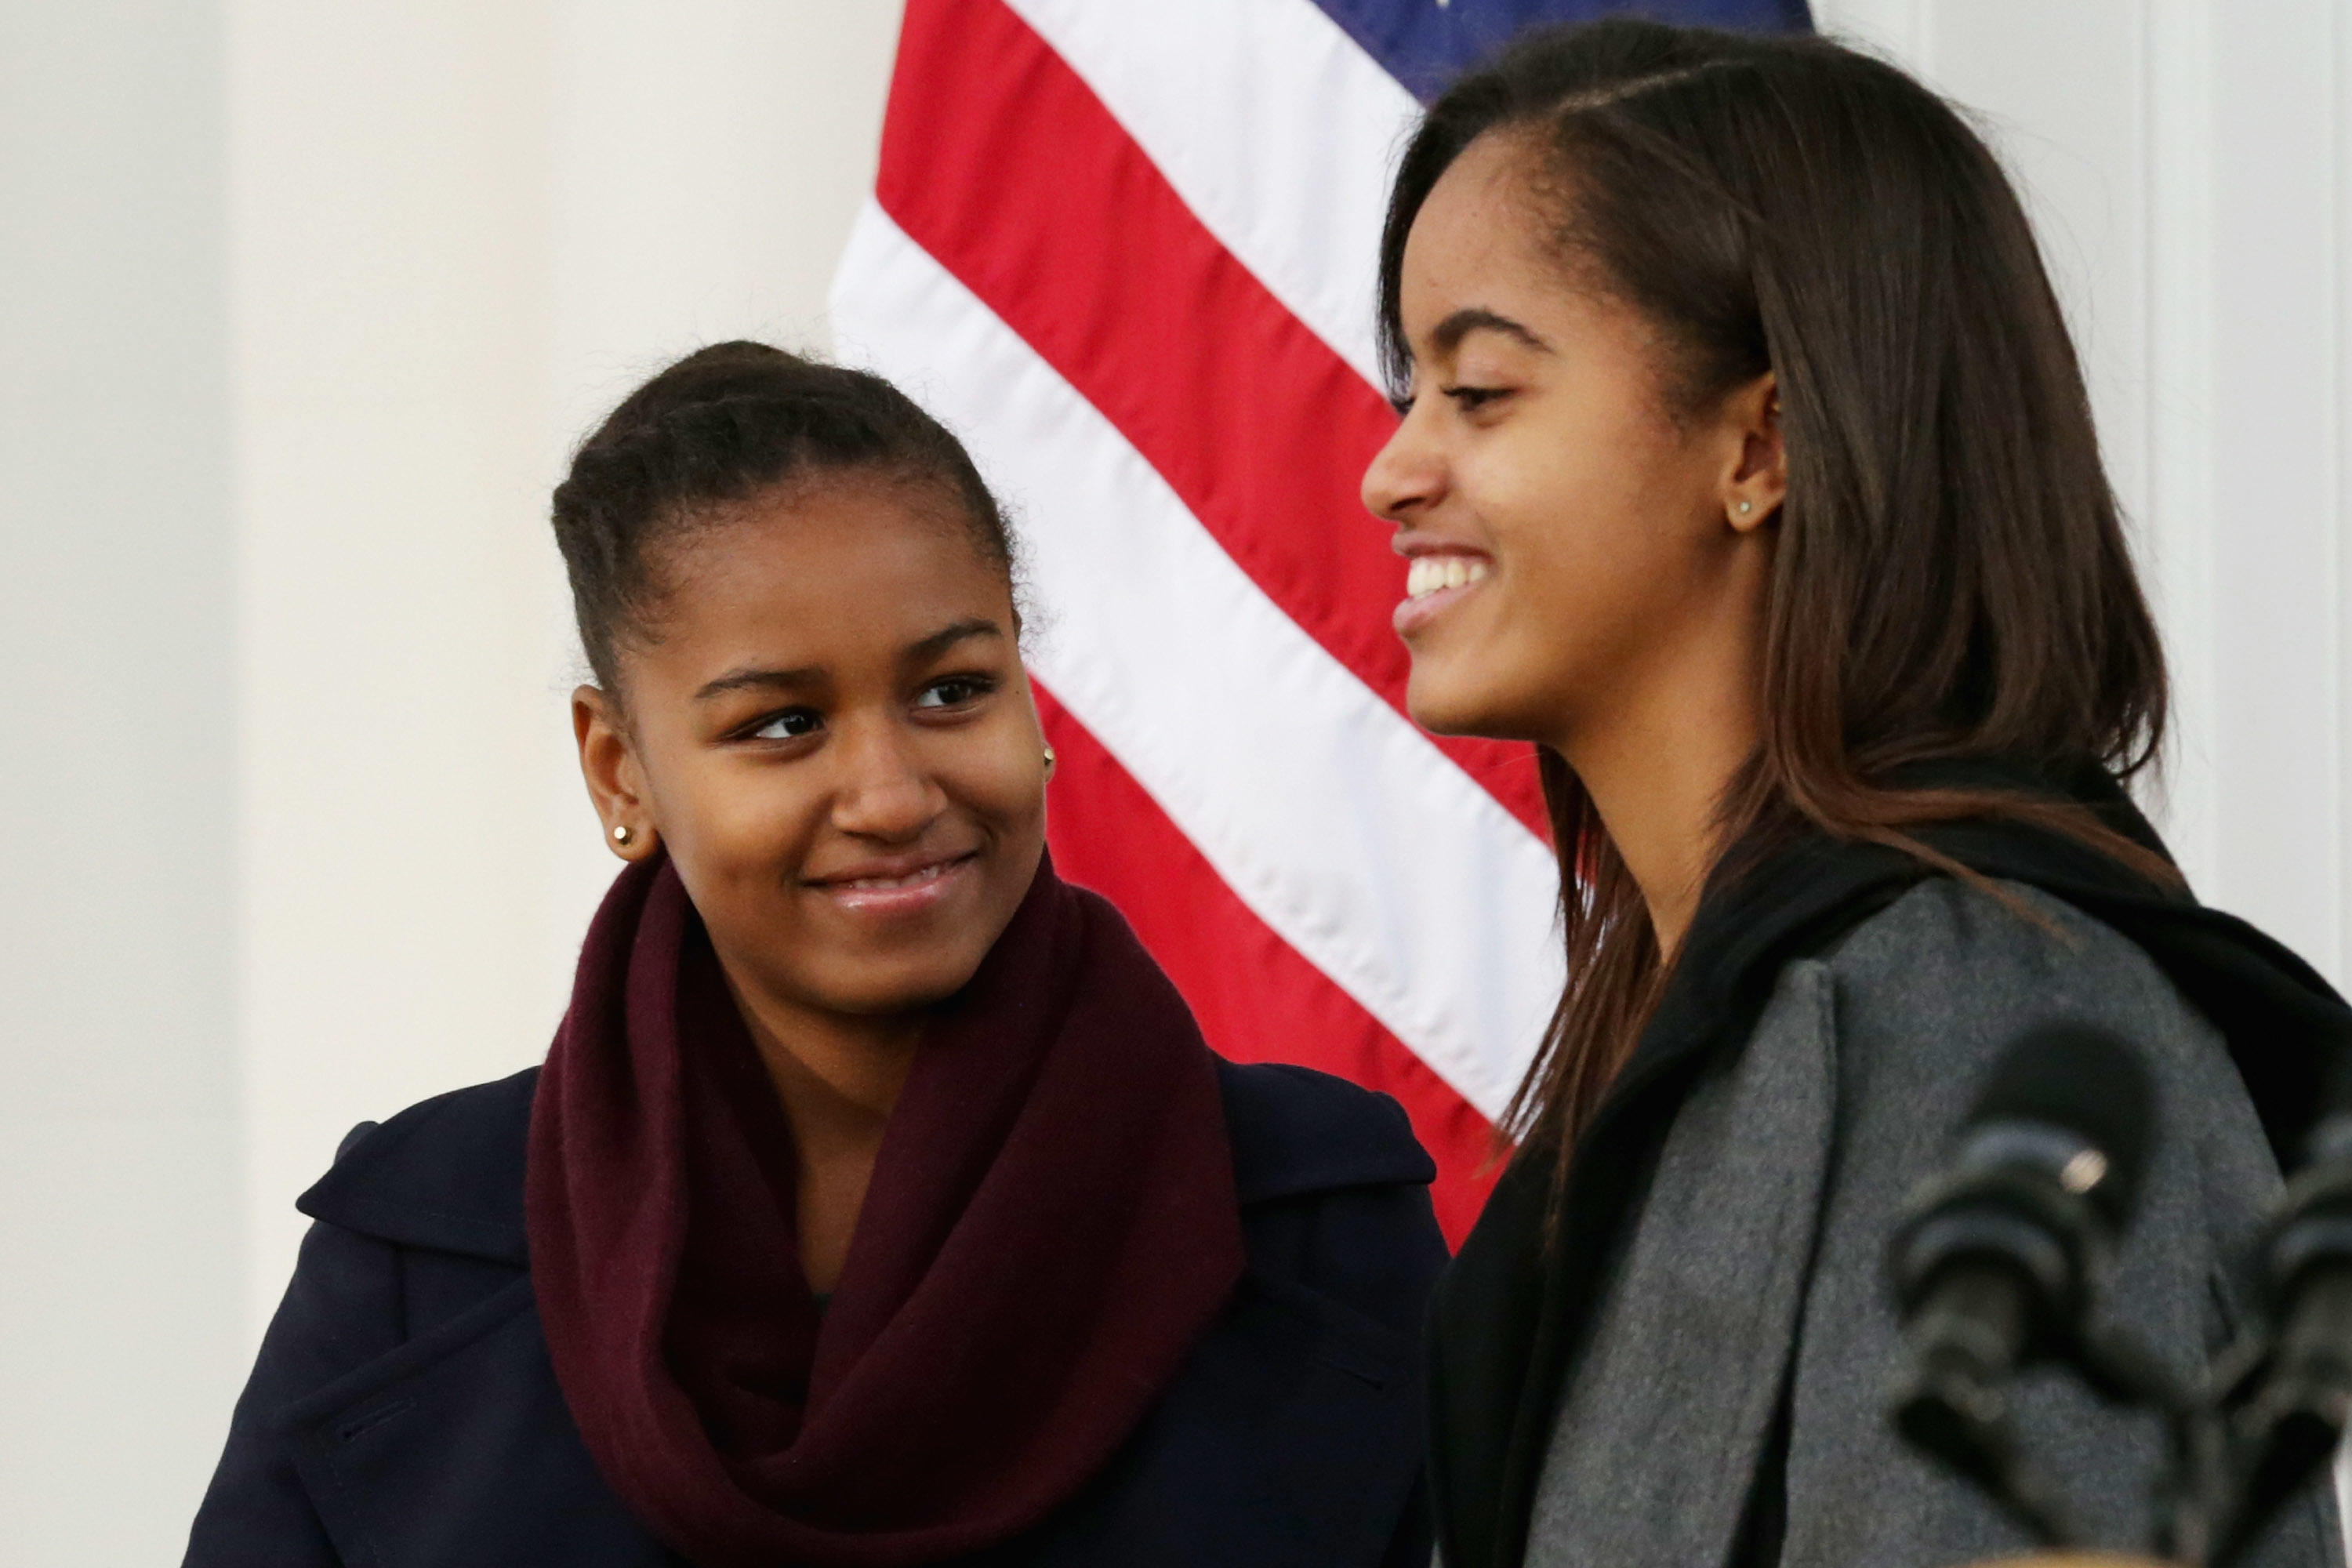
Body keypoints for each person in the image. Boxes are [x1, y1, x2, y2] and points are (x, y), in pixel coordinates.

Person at [186, 343, 1446, 1566]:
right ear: (618, 769)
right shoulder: (426, 1252)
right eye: (782, 724)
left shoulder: (1315, 1227)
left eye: (953, 691)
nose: (891, 794)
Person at [1363, 19, 2347, 1568]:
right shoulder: (1747, 1022)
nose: (1393, 468)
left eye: (1480, 390)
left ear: (1761, 443)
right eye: (1409, 385)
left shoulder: (1986, 1023)